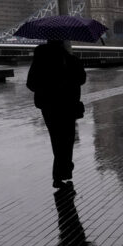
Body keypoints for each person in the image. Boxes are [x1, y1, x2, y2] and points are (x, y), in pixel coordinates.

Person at [27, 40, 86, 190]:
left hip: (48, 106)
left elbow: (30, 84)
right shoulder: (70, 59)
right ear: (62, 44)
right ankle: (62, 171)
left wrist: (45, 88)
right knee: (67, 139)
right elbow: (82, 79)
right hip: (68, 104)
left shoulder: (40, 60)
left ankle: (61, 172)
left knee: (57, 138)